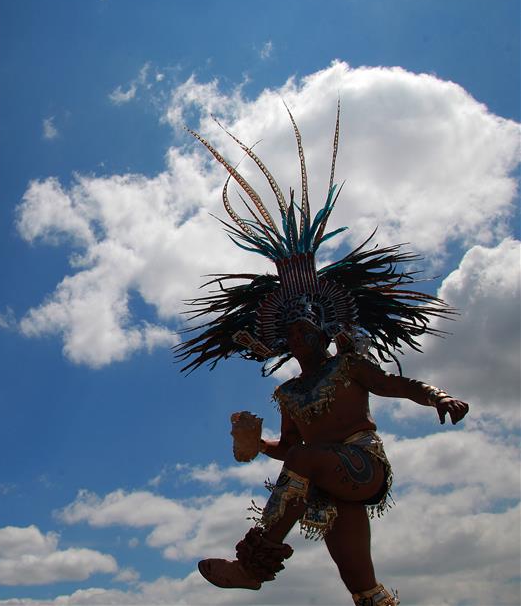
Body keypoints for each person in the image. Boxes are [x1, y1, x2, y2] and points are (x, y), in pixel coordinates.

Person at [175, 104, 469, 606]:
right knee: (361, 584)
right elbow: (291, 453)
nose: (298, 336)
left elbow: (398, 386)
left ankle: (253, 566)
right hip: (327, 486)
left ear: (326, 327)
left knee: (313, 460)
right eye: (289, 331)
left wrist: (438, 395)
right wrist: (254, 443)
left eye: (305, 326)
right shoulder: (288, 392)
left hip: (361, 462)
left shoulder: (350, 366)